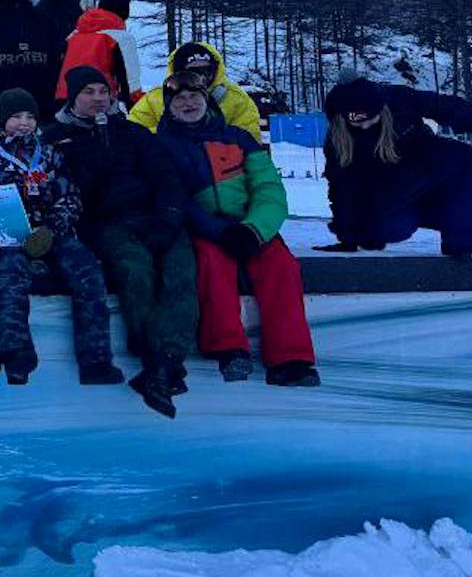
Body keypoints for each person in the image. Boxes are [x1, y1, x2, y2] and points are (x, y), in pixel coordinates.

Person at [152, 71, 319, 386]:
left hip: (249, 224)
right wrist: (216, 230)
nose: (188, 103)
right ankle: (227, 348)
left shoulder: (238, 138)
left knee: (281, 267)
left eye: (195, 97)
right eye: (180, 99)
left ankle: (291, 357)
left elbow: (269, 188)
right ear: (168, 106)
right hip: (206, 229)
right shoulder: (162, 146)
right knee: (212, 266)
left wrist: (254, 229)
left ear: (207, 101)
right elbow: (175, 197)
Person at [48, 66, 196, 417]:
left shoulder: (134, 133)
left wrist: (169, 217)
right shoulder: (57, 138)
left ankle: (167, 360)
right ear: (74, 96)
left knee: (180, 270)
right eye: (90, 92)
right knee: (135, 270)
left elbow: (165, 178)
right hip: (106, 222)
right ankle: (153, 356)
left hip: (152, 215)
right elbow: (62, 192)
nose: (99, 98)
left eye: (104, 91)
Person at [0, 89, 120, 387]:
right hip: (4, 236)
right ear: (1, 120)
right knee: (9, 272)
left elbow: (70, 197)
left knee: (87, 269)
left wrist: (51, 229)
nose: (24, 123)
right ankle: (16, 355)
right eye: (16, 116)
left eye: (30, 117)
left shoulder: (50, 154)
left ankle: (96, 360)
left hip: (48, 233)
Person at [320, 71, 472, 258]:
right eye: (357, 120)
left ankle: (461, 242)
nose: (366, 125)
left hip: (430, 173)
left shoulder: (399, 99)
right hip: (393, 195)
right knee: (390, 230)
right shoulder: (339, 141)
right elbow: (341, 188)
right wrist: (348, 236)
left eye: (370, 117)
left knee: (463, 160)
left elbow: (447, 106)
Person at [127, 42, 260, 143]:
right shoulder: (154, 100)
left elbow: (249, 139)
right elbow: (133, 137)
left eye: (207, 70)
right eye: (194, 72)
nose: (202, 77)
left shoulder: (235, 99)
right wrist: (172, 135)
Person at [57, 0, 143, 106]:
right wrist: (136, 107)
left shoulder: (74, 34)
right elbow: (130, 79)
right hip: (98, 100)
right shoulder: (121, 38)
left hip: (65, 99)